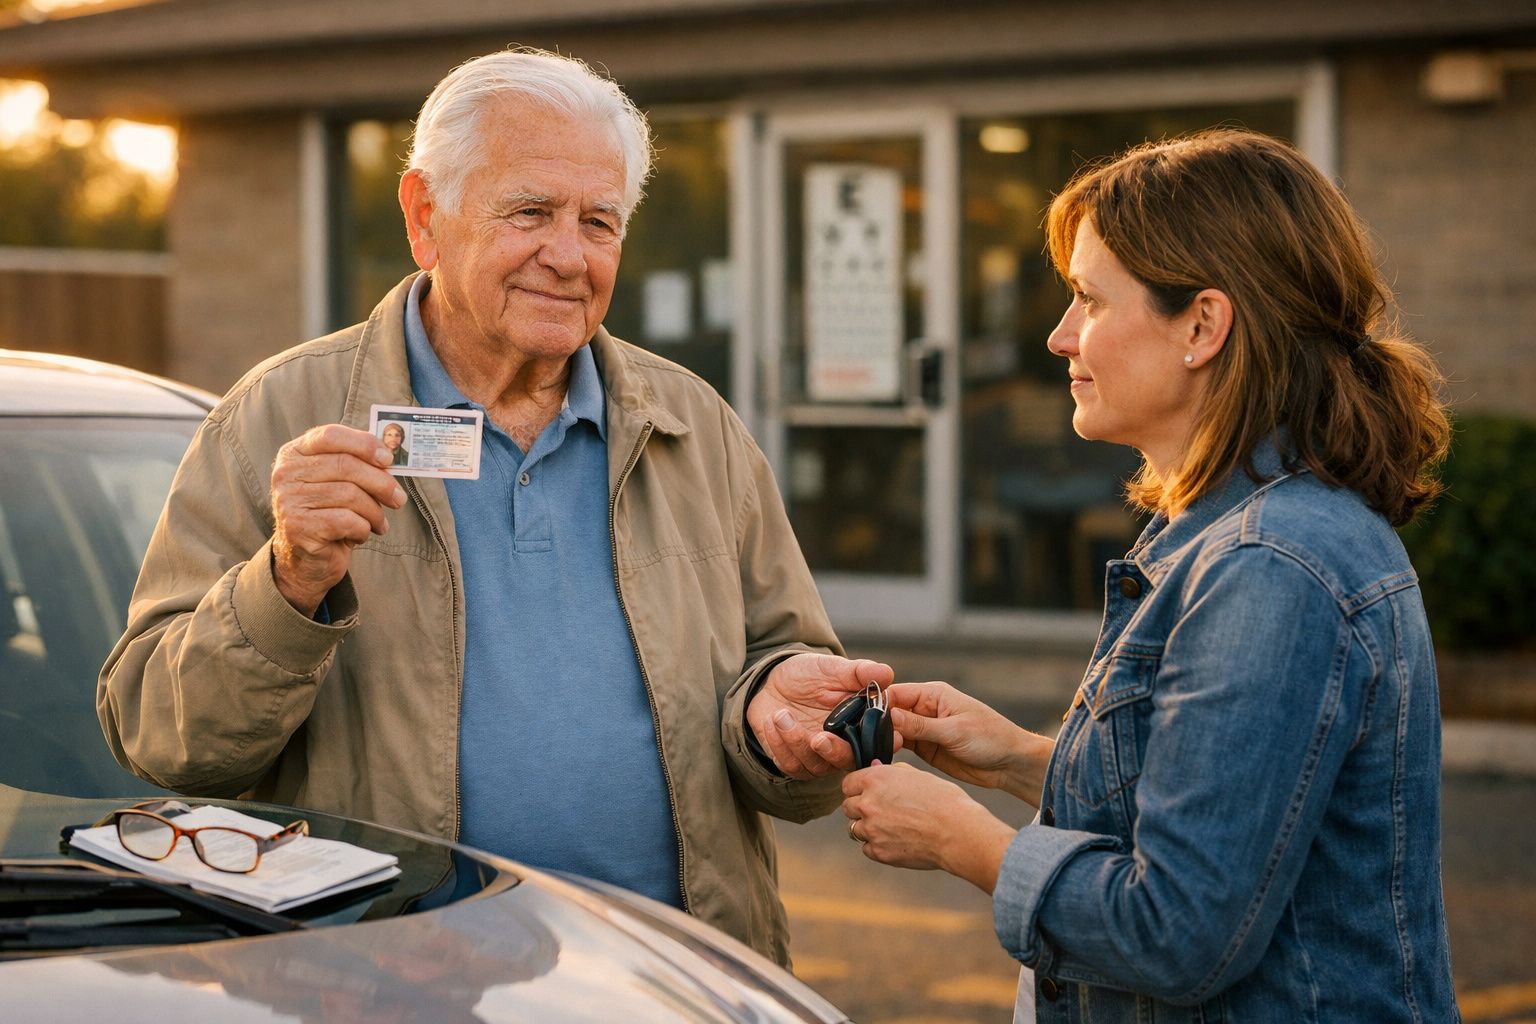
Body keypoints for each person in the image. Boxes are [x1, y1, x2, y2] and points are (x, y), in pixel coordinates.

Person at [99, 47, 888, 965]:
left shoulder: (694, 426)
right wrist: (289, 580)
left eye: (599, 221)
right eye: (529, 212)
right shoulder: (277, 418)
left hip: (677, 976)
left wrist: (780, 719)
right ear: (424, 216)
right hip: (389, 979)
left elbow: (787, 682)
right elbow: (161, 740)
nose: (567, 254)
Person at [840, 129, 1460, 1021]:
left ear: (1203, 325)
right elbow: (1233, 807)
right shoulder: (1239, 537)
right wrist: (1017, 759)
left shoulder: (1266, 566)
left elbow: (1177, 927)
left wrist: (959, 839)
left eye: (1089, 300)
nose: (1059, 338)